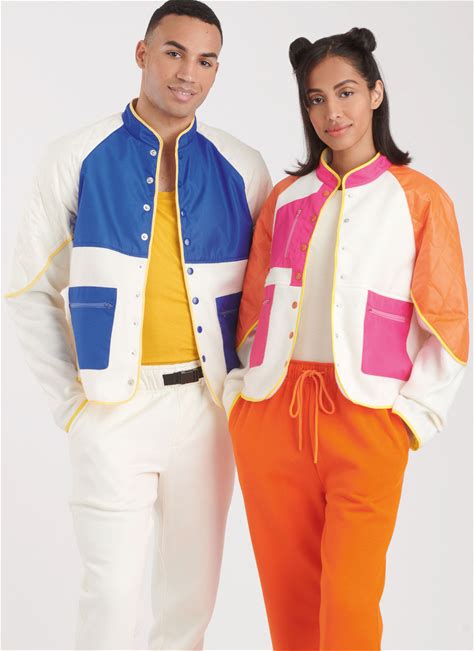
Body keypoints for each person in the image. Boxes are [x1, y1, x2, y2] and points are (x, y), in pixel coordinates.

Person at [5, 0, 271, 648]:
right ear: (142, 53)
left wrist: (247, 391)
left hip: (208, 413)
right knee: (111, 601)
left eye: (206, 61)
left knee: (190, 603)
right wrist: (73, 404)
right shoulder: (76, 156)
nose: (188, 73)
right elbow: (27, 290)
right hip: (112, 412)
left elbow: (269, 296)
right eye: (174, 52)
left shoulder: (243, 166)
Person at [223, 27, 469, 651]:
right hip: (273, 418)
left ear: (376, 93)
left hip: (367, 423)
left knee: (351, 603)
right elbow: (251, 316)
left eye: (346, 92)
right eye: (315, 98)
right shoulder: (285, 199)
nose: (332, 111)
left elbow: (448, 323)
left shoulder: (420, 200)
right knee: (289, 603)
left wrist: (409, 419)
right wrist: (240, 398)